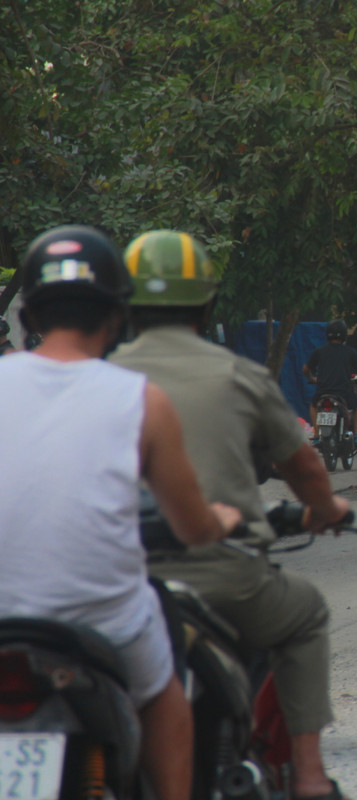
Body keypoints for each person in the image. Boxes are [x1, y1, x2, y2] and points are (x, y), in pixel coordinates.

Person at [0, 225, 243, 800]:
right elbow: (191, 526)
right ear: (117, 314)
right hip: (103, 622)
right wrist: (221, 521)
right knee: (165, 692)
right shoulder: (140, 399)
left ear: (29, 310)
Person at [111, 230, 353, 800]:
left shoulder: (103, 378)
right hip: (223, 576)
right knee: (307, 614)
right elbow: (306, 469)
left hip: (122, 579)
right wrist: (326, 510)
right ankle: (311, 775)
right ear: (208, 303)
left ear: (126, 303)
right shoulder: (239, 375)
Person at [304, 319, 357, 446]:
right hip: (344, 393)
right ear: (344, 335)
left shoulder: (319, 351)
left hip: (323, 392)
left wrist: (311, 379)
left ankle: (316, 434)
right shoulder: (350, 352)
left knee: (313, 406)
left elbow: (305, 369)